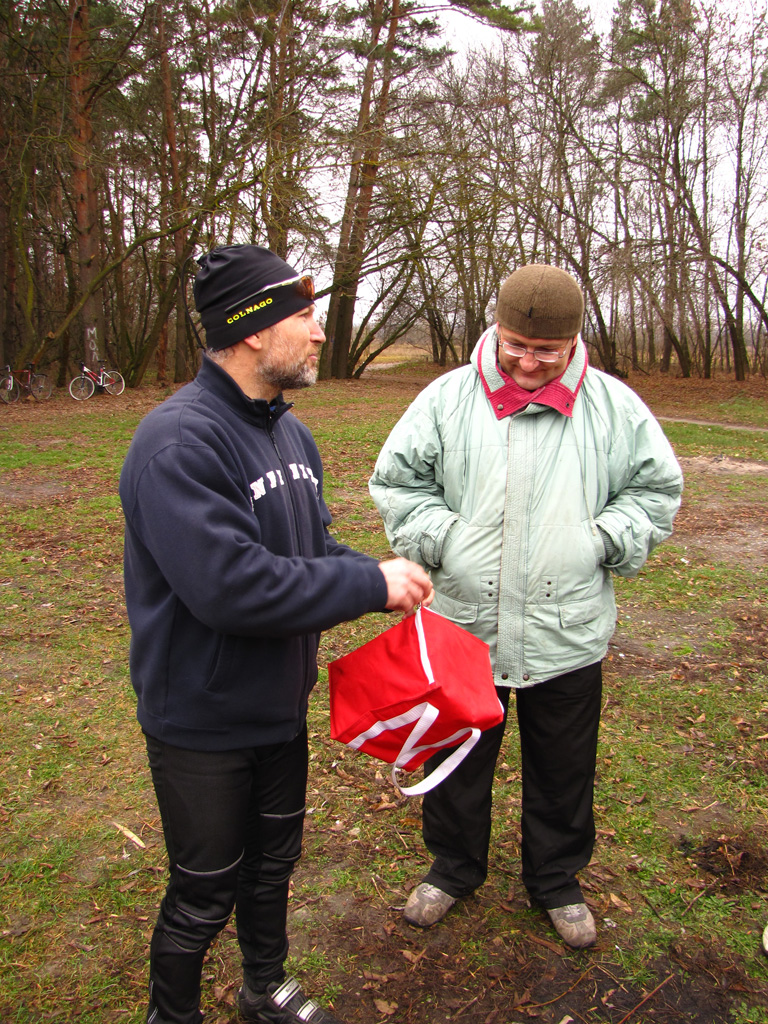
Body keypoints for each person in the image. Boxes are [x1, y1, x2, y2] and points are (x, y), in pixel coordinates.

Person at [119, 244, 433, 1024]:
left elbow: (309, 547)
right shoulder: (178, 443)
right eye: (304, 316)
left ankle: (264, 988)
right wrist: (370, 583)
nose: (320, 332)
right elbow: (232, 588)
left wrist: (380, 577)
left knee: (272, 868)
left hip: (276, 708)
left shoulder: (289, 434)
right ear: (254, 329)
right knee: (203, 892)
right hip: (201, 723)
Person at [369, 263, 683, 949]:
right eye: (516, 345)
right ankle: (452, 869)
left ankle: (556, 879)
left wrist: (600, 540)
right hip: (463, 624)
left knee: (563, 768)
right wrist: (446, 539)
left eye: (547, 350)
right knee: (454, 761)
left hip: (566, 628)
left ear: (574, 342)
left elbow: (655, 491)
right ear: (497, 328)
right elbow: (398, 483)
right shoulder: (447, 398)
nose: (529, 362)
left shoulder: (615, 407)